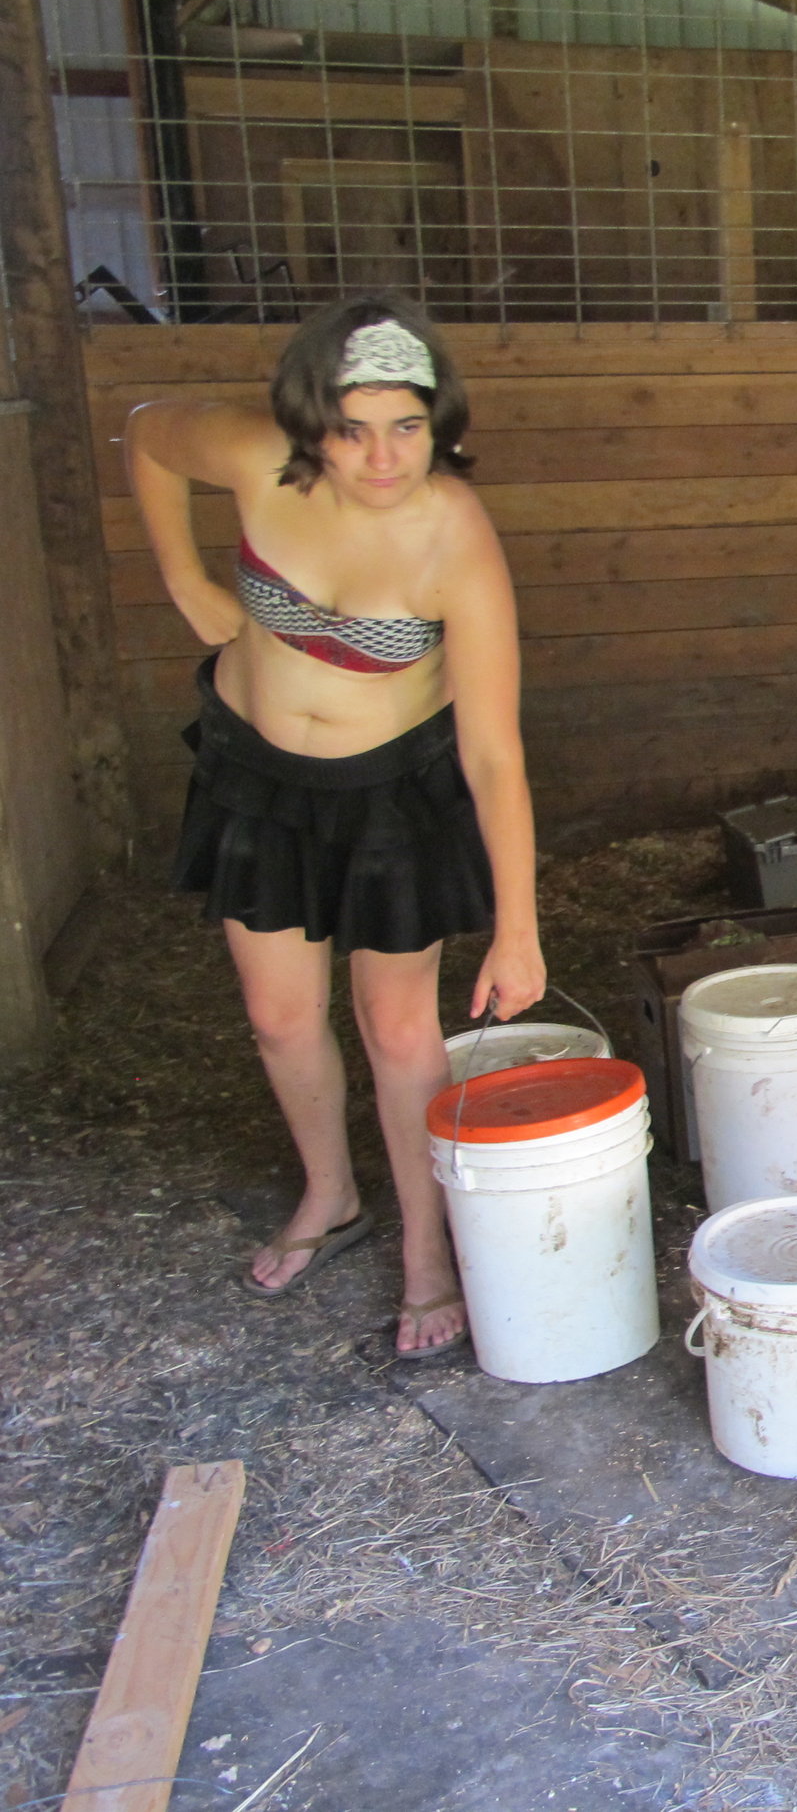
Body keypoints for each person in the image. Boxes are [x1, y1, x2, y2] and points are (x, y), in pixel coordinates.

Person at [127, 294, 544, 1361]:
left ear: (438, 421)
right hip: (254, 774)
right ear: (310, 422)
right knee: (276, 1015)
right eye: (351, 430)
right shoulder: (258, 458)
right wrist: (182, 578)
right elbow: (145, 430)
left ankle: (426, 1250)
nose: (380, 456)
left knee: (399, 1028)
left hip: (389, 796)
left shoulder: (456, 538)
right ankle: (332, 1192)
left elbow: (493, 750)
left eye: (406, 426)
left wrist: (518, 927)